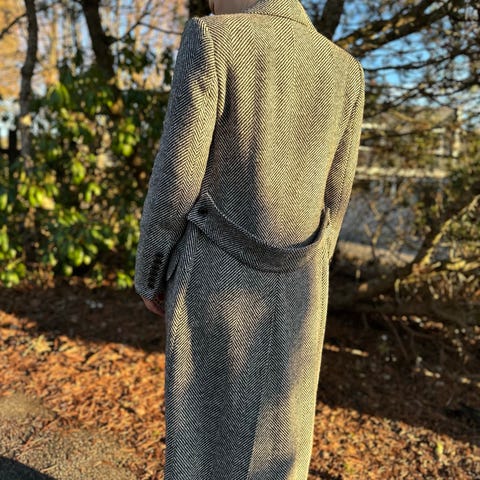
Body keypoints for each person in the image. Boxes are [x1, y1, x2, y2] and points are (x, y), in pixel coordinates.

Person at [134, 0, 365, 478]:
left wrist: (151, 273)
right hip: (301, 286)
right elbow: (336, 197)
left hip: (216, 280)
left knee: (205, 445)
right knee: (281, 444)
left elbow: (177, 178)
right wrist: (311, 271)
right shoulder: (346, 71)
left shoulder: (214, 39)